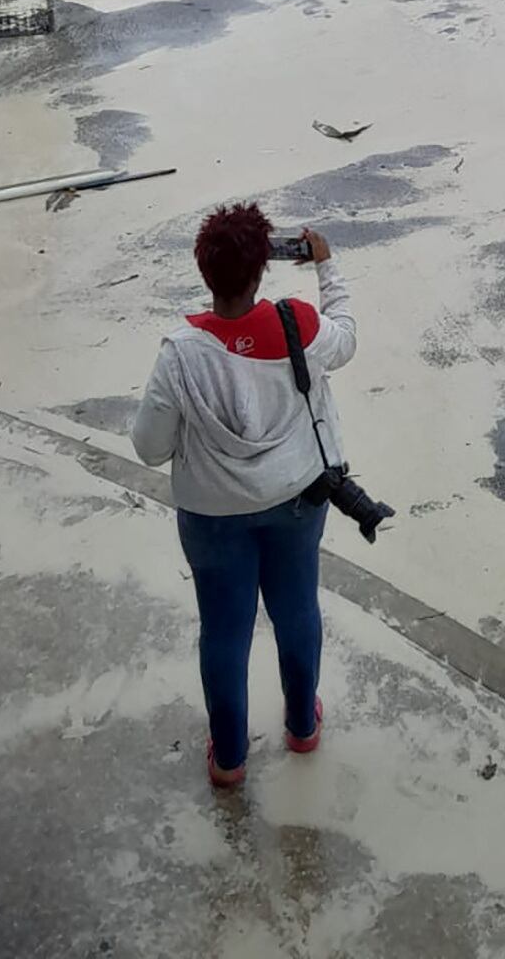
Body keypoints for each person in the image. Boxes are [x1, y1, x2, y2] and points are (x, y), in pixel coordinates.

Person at [132, 202, 356, 788]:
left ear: (205, 272)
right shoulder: (299, 326)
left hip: (213, 519)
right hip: (297, 501)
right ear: (261, 271)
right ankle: (302, 725)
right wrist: (326, 267)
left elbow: (150, 449)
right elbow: (349, 338)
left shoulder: (180, 353)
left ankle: (229, 759)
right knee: (297, 610)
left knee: (225, 632)